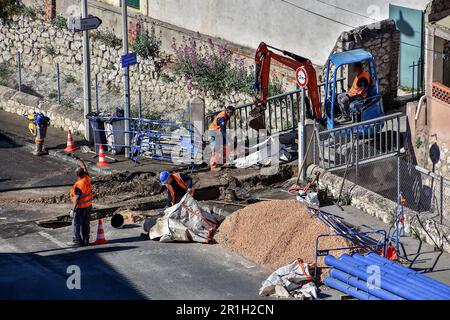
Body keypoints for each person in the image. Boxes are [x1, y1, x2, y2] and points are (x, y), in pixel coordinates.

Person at [69, 155, 93, 247]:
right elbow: (83, 166)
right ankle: (86, 240)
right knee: (86, 223)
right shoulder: (87, 177)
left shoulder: (79, 184)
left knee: (76, 224)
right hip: (88, 206)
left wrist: (73, 210)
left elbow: (77, 198)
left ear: (77, 175)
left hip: (80, 208)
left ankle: (77, 241)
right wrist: (77, 159)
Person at [209, 105, 236, 170]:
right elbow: (223, 130)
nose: (232, 115)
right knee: (216, 149)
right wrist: (228, 139)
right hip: (214, 133)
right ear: (228, 112)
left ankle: (224, 161)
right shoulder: (222, 118)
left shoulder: (225, 115)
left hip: (218, 132)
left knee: (224, 145)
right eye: (231, 113)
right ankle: (213, 166)